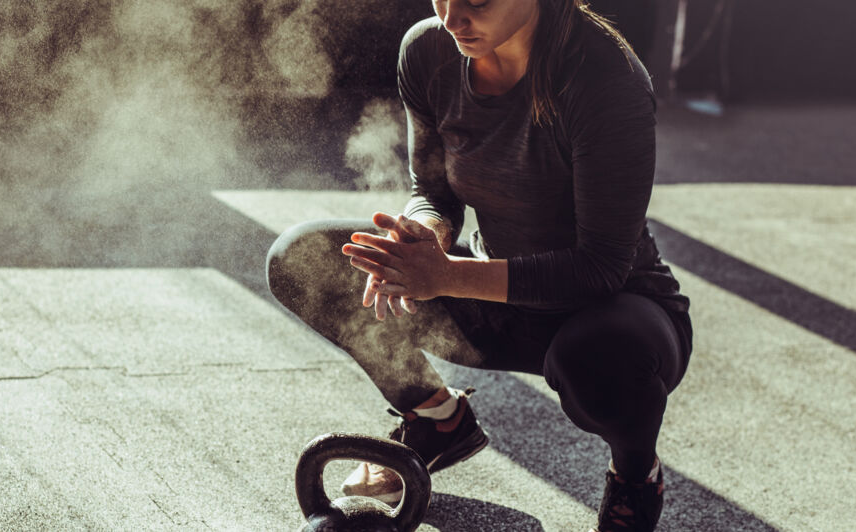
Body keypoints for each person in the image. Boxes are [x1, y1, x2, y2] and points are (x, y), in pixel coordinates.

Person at [266, 1, 692, 530]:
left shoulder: (607, 79)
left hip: (611, 314)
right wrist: (423, 239)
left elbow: (598, 268)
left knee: (596, 360)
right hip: (496, 303)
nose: (452, 17)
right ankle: (436, 421)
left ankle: (635, 476)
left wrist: (443, 275)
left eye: (478, 0)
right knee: (300, 258)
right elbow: (433, 191)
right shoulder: (428, 51)